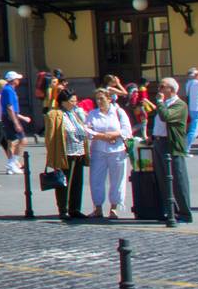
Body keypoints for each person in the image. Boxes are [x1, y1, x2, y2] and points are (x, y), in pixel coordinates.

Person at [85, 87, 132, 219]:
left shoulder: (118, 112)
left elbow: (127, 131)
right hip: (98, 151)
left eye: (102, 99)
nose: (99, 102)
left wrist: (114, 134)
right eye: (97, 99)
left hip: (117, 151)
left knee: (117, 179)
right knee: (96, 179)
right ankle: (98, 208)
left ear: (109, 99)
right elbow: (88, 131)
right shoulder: (93, 114)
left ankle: (114, 208)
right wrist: (102, 136)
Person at [150, 77, 192, 223]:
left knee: (178, 180)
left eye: (163, 87)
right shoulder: (165, 104)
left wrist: (160, 103)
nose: (159, 90)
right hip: (159, 142)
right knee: (163, 179)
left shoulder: (179, 104)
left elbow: (165, 117)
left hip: (172, 144)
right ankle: (171, 212)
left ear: (172, 89)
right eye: (159, 86)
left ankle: (185, 213)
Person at [44, 89, 89, 220]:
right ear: (63, 102)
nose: (75, 103)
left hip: (79, 152)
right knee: (64, 182)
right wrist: (52, 155)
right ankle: (63, 209)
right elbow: (50, 136)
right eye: (72, 101)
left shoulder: (75, 113)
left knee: (77, 182)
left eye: (76, 101)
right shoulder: (55, 114)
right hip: (65, 153)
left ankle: (75, 208)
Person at [0, 71, 27, 174]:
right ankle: (12, 163)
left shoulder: (8, 89)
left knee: (12, 142)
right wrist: (16, 123)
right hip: (10, 118)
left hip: (10, 117)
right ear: (13, 80)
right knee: (23, 140)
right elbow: (9, 107)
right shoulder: (8, 90)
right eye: (17, 79)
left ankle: (11, 166)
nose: (18, 80)